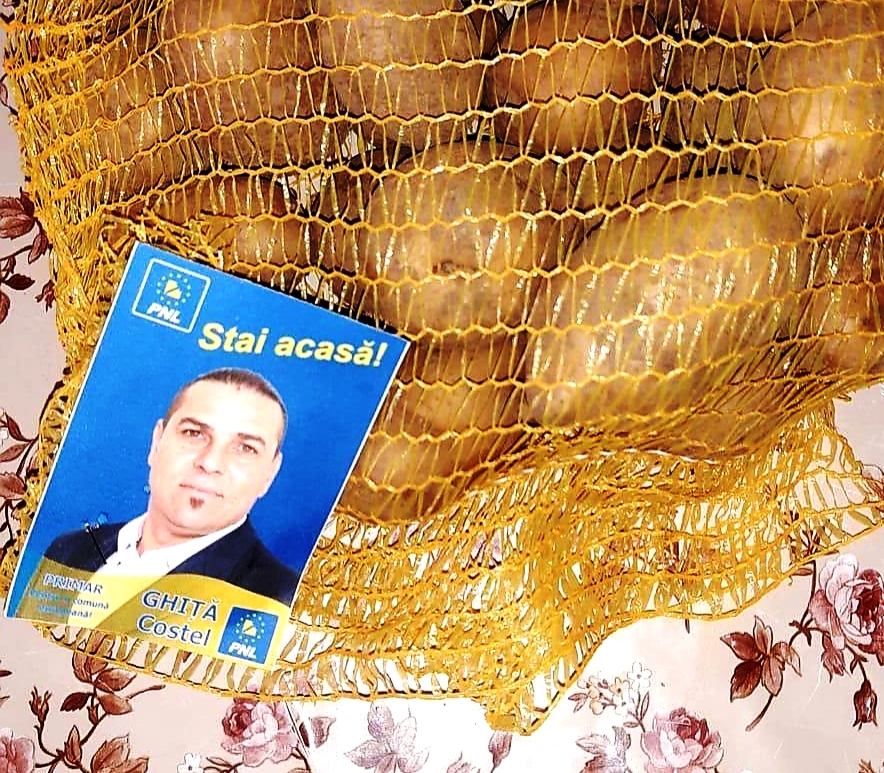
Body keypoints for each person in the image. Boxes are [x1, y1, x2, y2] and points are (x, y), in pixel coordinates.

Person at [41, 367, 299, 607]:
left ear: (270, 474)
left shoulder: (277, 599)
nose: (210, 463)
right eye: (194, 433)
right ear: (157, 443)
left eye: (245, 448)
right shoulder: (68, 550)